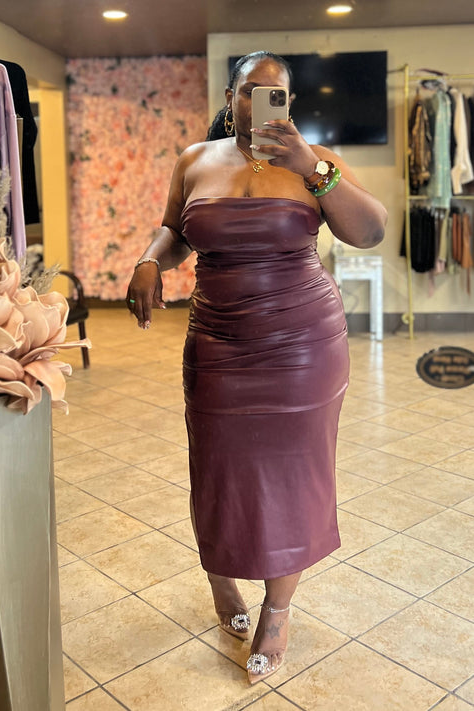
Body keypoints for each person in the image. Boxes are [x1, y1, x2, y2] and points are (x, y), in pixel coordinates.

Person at [126, 50, 387, 685]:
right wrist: (150, 259)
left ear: (290, 103)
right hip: (217, 342)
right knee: (217, 470)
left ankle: (278, 609)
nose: (261, 101)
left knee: (294, 475)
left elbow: (371, 230)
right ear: (230, 97)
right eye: (250, 90)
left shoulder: (314, 161)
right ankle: (222, 582)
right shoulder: (195, 160)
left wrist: (311, 169)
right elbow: (175, 231)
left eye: (276, 93)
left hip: (302, 346)